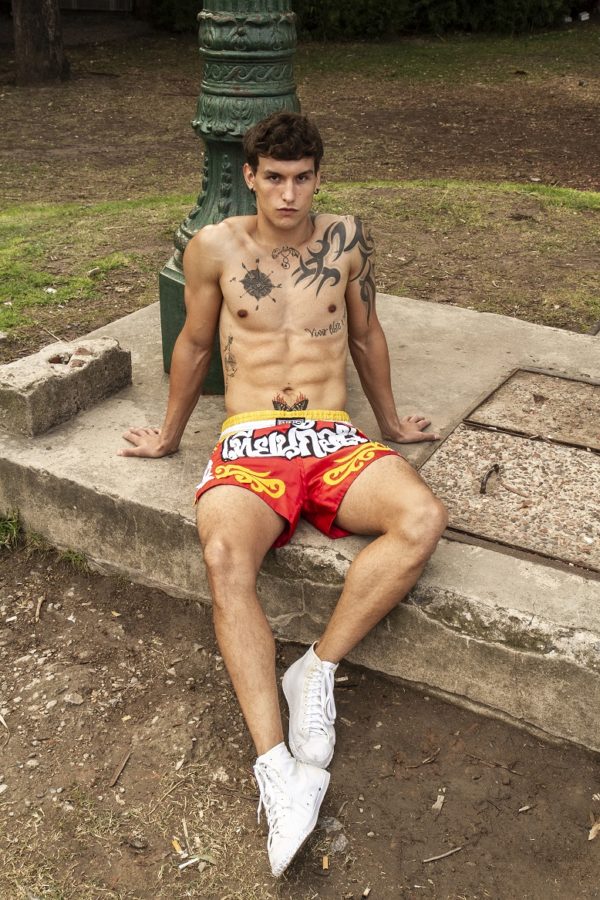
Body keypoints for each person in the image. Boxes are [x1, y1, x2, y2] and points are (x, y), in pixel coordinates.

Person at [119, 111, 448, 877]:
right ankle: (278, 769)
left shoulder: (348, 239)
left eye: (303, 178)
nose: (289, 194)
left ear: (319, 177)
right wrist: (168, 435)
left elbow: (364, 335)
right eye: (274, 177)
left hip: (330, 436)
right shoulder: (214, 247)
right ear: (250, 176)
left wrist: (391, 421)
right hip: (252, 439)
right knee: (224, 556)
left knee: (422, 517)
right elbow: (194, 344)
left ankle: (318, 670)